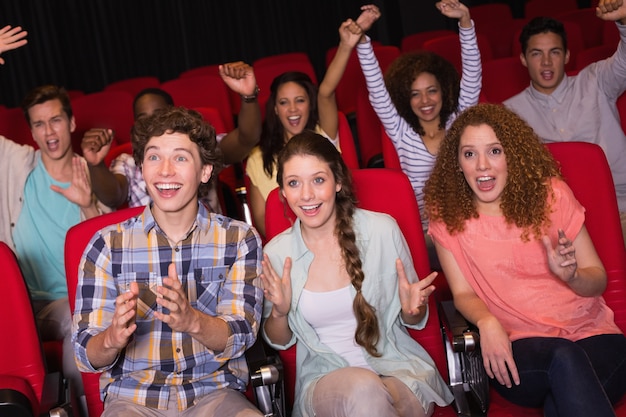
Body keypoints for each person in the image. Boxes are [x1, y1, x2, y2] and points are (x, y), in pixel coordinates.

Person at [424, 103, 626, 417]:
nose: (481, 166)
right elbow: (462, 294)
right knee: (563, 358)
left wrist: (572, 276)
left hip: (593, 334)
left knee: (563, 398)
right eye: (469, 154)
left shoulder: (553, 195)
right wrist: (487, 322)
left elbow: (597, 278)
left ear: (512, 155)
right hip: (518, 347)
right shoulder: (449, 216)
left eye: (494, 151)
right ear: (457, 164)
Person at [72, 106, 264, 416]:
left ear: (204, 172)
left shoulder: (239, 240)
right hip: (133, 400)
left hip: (213, 394)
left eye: (180, 158)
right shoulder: (107, 245)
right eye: (154, 157)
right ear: (142, 168)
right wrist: (112, 338)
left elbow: (241, 334)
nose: (164, 171)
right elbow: (85, 354)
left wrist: (193, 321)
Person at [261, 131, 454, 417]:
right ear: (283, 192)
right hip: (324, 379)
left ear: (337, 182)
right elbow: (279, 341)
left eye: (318, 180)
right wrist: (279, 313)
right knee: (364, 389)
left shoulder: (382, 231)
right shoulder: (277, 254)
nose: (306, 195)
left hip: (397, 369)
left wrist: (413, 309)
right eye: (293, 183)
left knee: (372, 399)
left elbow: (414, 319)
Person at [0, 26, 109, 415]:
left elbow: (110, 249)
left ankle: (81, 408)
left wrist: (88, 204)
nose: (50, 132)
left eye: (56, 120)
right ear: (30, 131)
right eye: (40, 124)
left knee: (81, 319)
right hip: (26, 304)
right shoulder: (16, 166)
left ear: (72, 122)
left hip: (79, 302)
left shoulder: (90, 172)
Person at [354, 2, 481, 269]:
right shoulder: (402, 133)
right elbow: (377, 91)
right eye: (415, 93)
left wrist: (465, 22)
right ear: (405, 98)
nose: (425, 100)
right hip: (427, 237)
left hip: (469, 225)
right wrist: (363, 40)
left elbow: (472, 75)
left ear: (444, 91)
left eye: (431, 91)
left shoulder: (460, 123)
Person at [504, 0, 626, 247]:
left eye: (555, 52)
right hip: (559, 227)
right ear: (524, 59)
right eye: (537, 53)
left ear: (567, 56)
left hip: (619, 208)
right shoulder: (510, 114)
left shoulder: (596, 80)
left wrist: (624, 23)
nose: (546, 62)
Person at [81, 61, 262, 214]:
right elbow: (113, 196)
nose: (153, 125)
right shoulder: (127, 163)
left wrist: (248, 96)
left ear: (176, 116)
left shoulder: (198, 149)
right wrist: (95, 164)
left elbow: (246, 138)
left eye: (160, 115)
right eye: (144, 119)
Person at [245, 12, 365, 238]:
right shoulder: (257, 158)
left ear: (310, 104)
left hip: (338, 234)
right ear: (275, 109)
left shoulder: (324, 134)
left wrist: (346, 45)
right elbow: (264, 223)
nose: (292, 109)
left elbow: (327, 91)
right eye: (284, 103)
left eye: (300, 100)